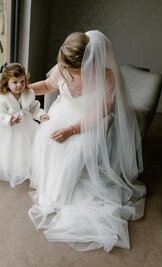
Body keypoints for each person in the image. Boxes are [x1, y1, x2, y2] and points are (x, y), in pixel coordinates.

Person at [28, 30, 145, 252]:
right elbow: (47, 85)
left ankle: (61, 194)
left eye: (74, 69)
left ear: (90, 62)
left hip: (90, 120)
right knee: (45, 135)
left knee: (75, 148)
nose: (67, 72)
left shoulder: (106, 77)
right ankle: (51, 187)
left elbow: (99, 113)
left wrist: (71, 130)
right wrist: (26, 89)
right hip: (65, 110)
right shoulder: (64, 67)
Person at [0, 63, 49, 187]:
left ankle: (25, 165)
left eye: (22, 81)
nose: (19, 85)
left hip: (26, 126)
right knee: (11, 148)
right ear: (7, 82)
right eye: (15, 82)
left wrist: (40, 115)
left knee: (26, 147)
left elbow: (33, 108)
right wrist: (9, 119)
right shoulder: (3, 97)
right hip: (9, 129)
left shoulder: (29, 93)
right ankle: (12, 168)